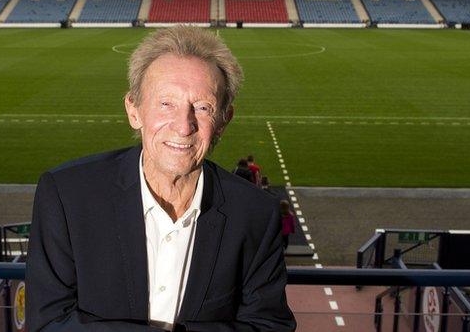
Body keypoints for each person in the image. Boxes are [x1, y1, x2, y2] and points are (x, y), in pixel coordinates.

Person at [26, 26, 296, 332]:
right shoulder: (67, 196)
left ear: (222, 121)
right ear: (134, 110)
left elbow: (269, 326)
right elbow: (48, 324)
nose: (184, 126)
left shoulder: (255, 214)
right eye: (166, 103)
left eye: (203, 107)